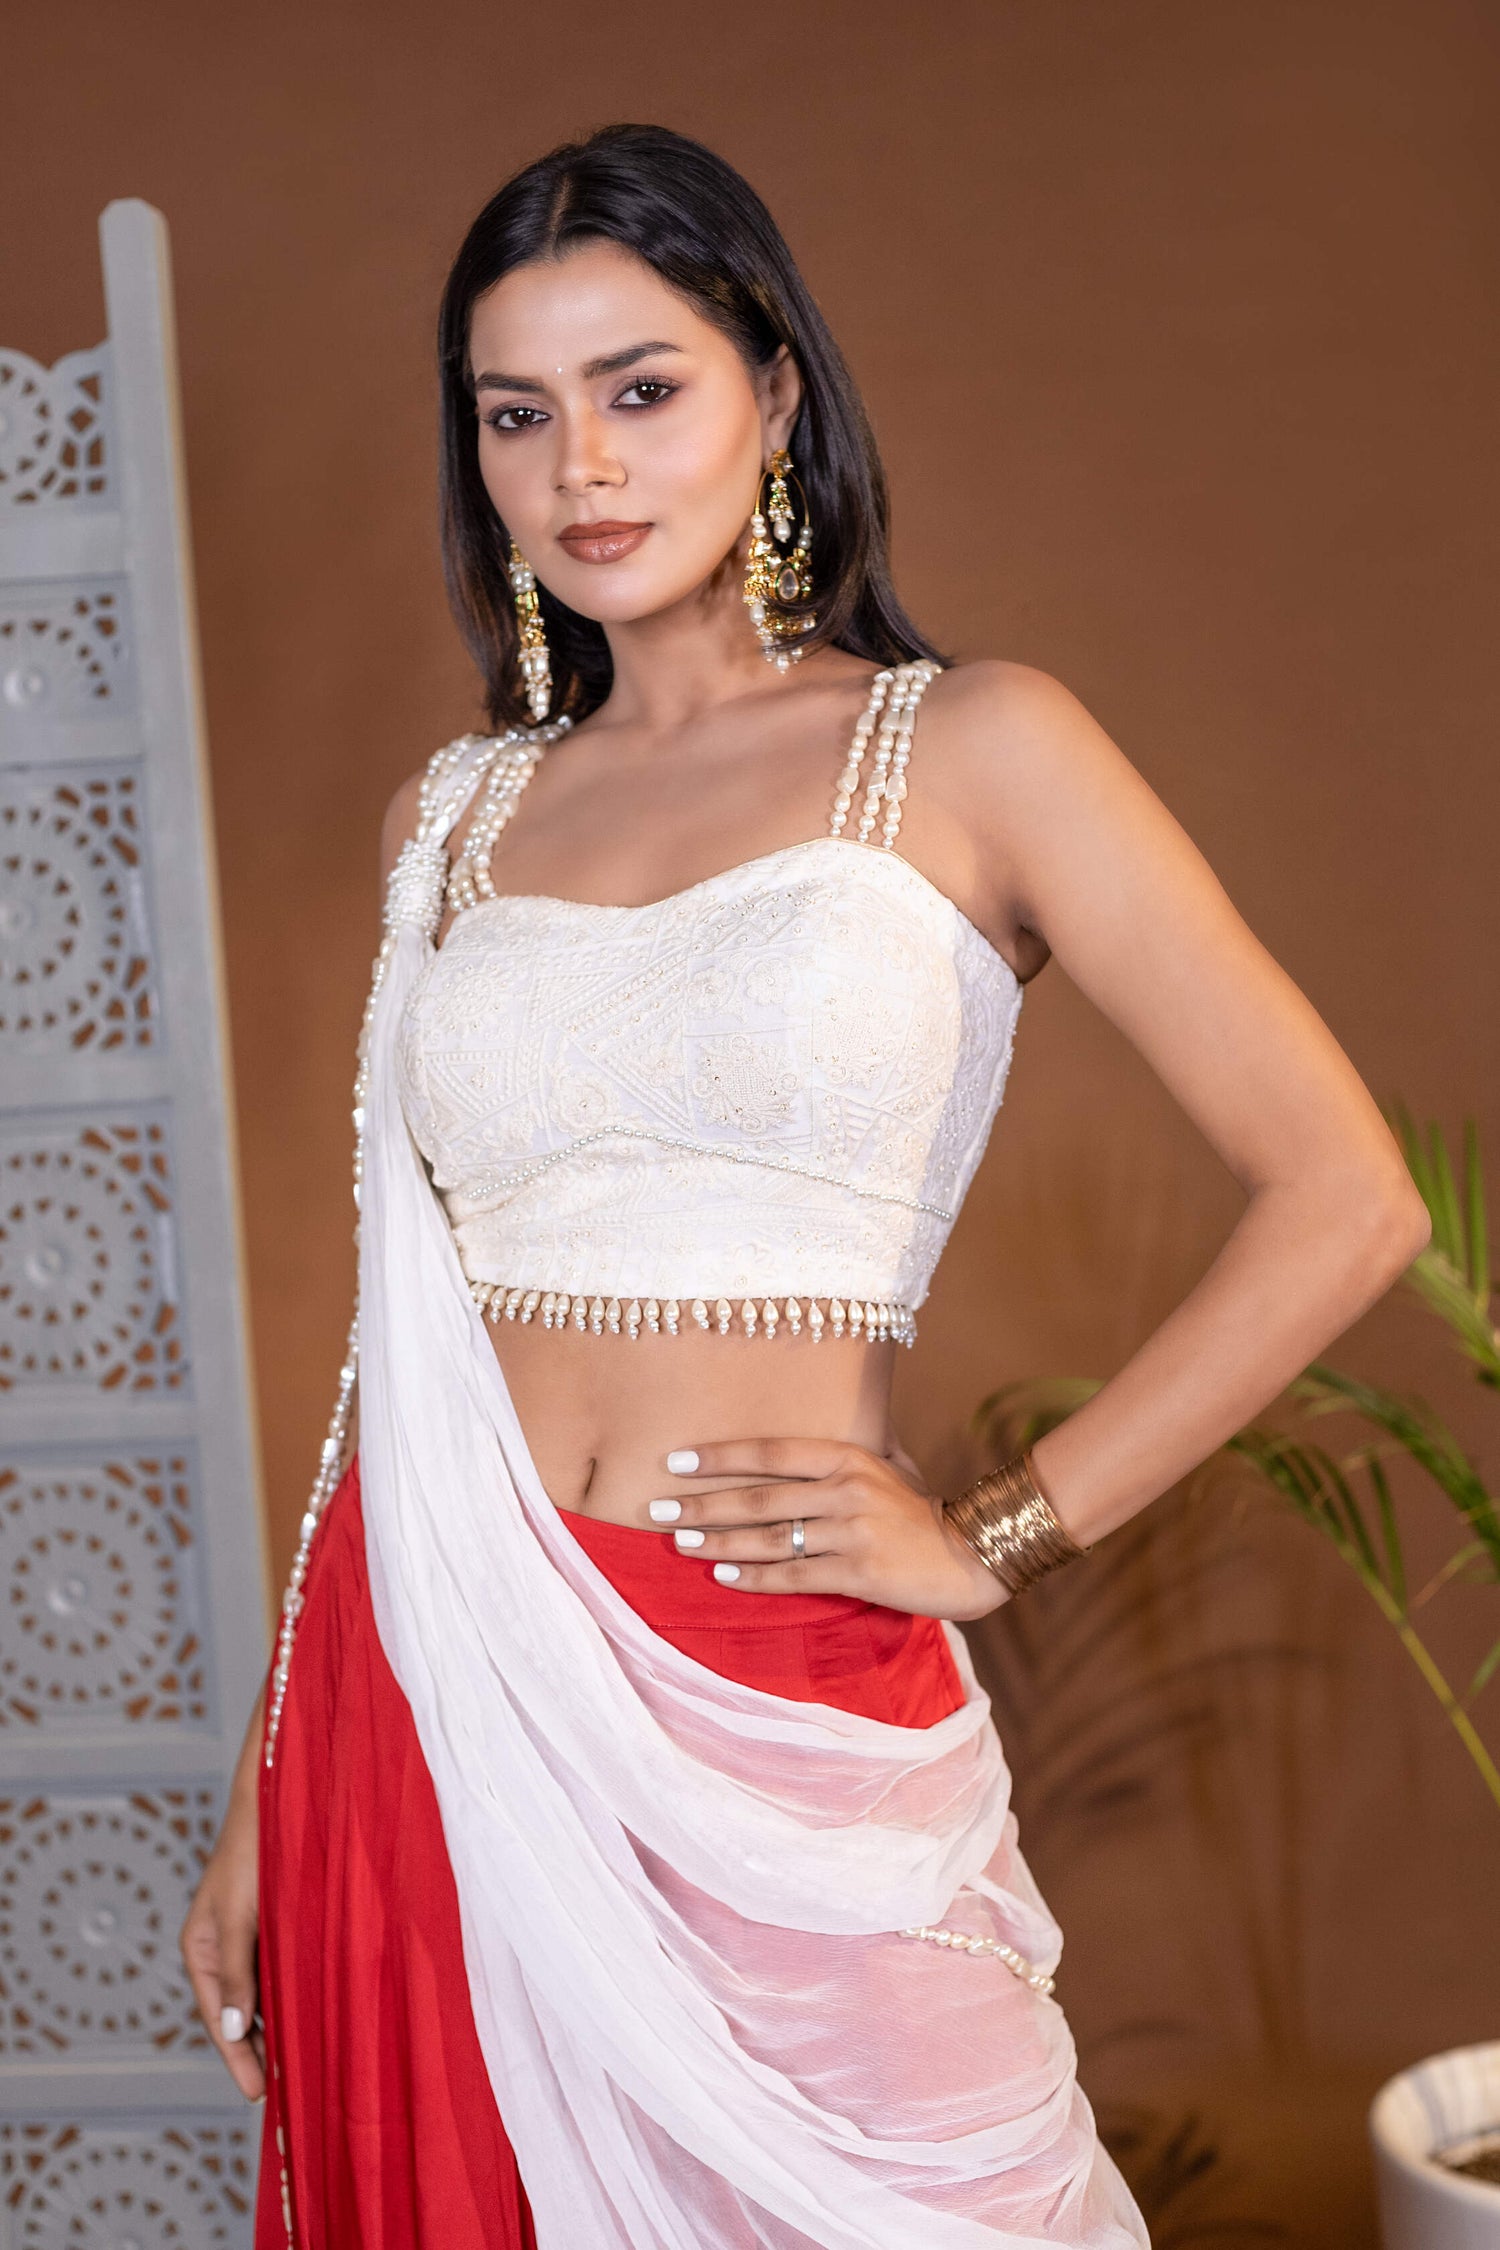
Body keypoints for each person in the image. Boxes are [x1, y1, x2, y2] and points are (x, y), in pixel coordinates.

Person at [181, 123, 1429, 2249]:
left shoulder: (979, 750)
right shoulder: (452, 816)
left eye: (641, 386)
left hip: (778, 1688)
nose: (581, 462)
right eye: (517, 411)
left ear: (772, 389)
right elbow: (404, 1346)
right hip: (432, 1687)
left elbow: (1346, 1191)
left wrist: (1003, 1530)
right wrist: (257, 1798)